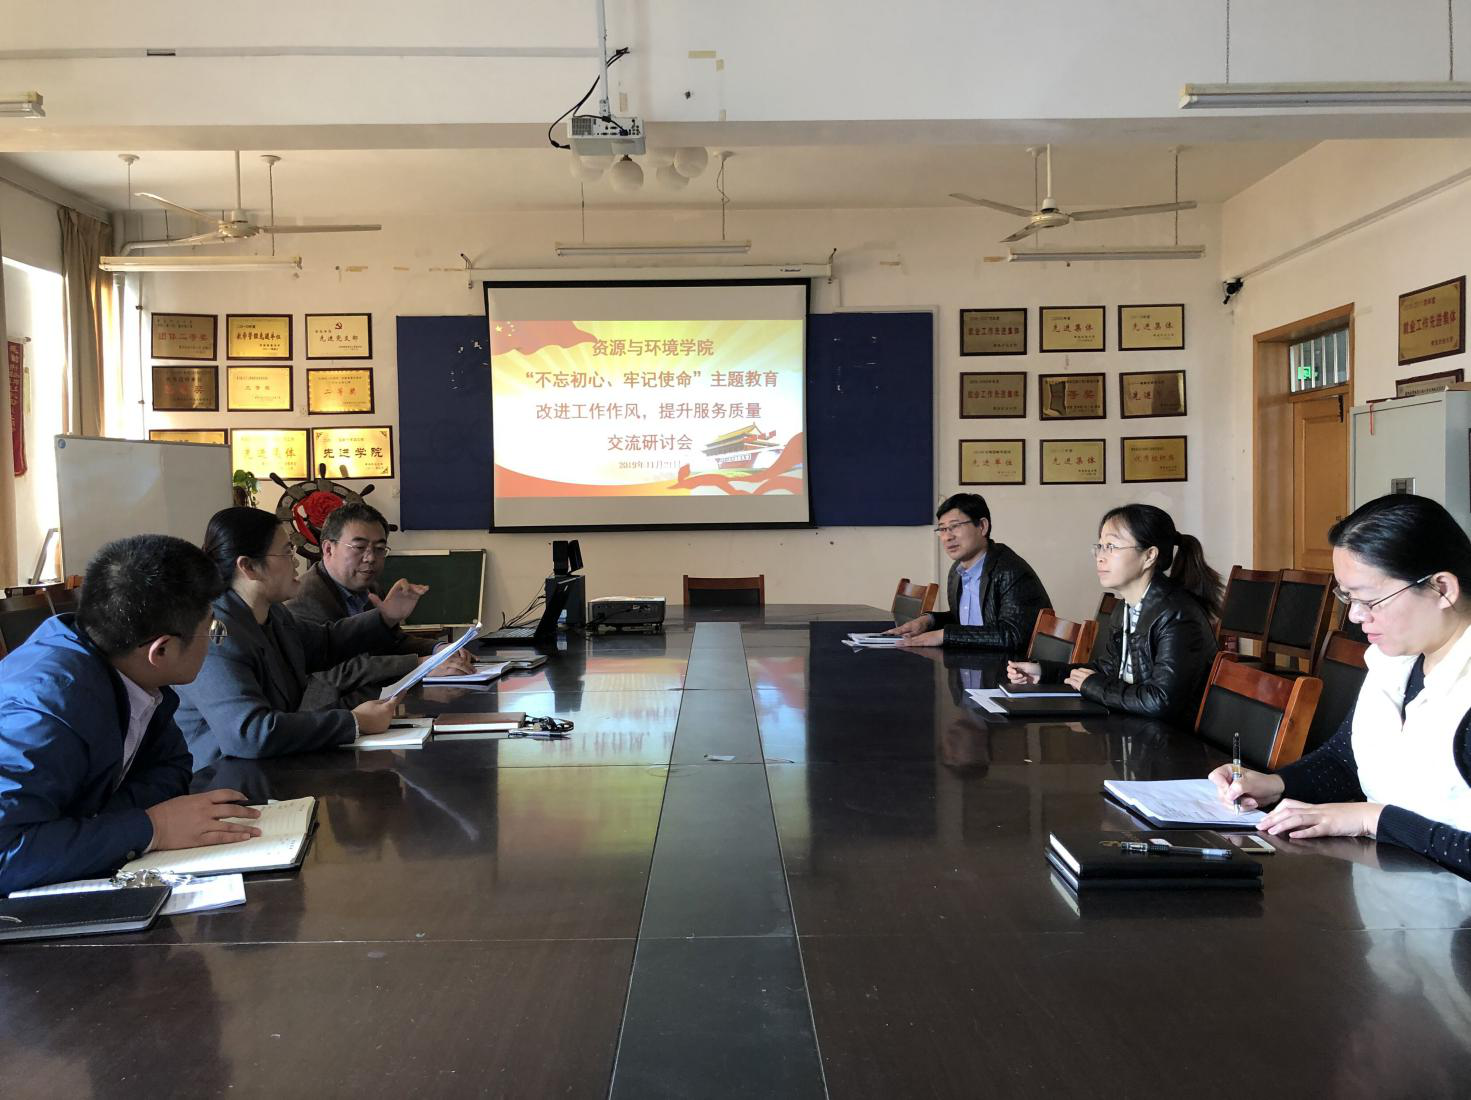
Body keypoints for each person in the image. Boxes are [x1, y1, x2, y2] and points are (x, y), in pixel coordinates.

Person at [1212, 494, 1471, 877]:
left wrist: (1373, 819)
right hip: (1388, 891)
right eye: (1348, 598)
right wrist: (1276, 784)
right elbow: (1345, 759)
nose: (1355, 616)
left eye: (1370, 600)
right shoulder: (1395, 659)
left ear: (1441, 588)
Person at [0, 535, 261, 893]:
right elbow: (6, 854)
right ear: (161, 650)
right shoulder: (46, 708)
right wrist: (153, 827)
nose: (214, 643)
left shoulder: (133, 673)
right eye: (211, 631)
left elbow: (173, 768)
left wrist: (97, 822)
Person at [174, 507, 445, 769]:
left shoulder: (275, 614)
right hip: (220, 778)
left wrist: (385, 616)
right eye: (286, 552)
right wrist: (354, 722)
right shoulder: (215, 634)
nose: (295, 561)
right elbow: (250, 733)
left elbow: (327, 643)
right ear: (248, 567)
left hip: (271, 766)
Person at [1007, 503, 1220, 723]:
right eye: (1100, 546)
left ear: (1149, 556)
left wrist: (1093, 685)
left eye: (1112, 546)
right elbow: (1106, 670)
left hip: (1173, 737)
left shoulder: (1177, 615)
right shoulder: (1124, 608)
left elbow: (1160, 701)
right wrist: (1044, 672)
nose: (1100, 557)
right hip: (1135, 725)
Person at [286, 501, 459, 703]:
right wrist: (421, 665)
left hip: (379, 702)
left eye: (379, 548)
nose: (370, 558)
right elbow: (336, 671)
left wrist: (440, 649)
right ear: (328, 549)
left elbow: (393, 643)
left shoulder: (371, 588)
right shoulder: (302, 598)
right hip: (334, 710)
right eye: (359, 547)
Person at [891, 492, 1051, 655]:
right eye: (942, 529)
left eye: (955, 526)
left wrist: (944, 635)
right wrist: (928, 621)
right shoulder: (957, 571)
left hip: (1008, 668)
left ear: (982, 526)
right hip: (973, 661)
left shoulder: (1010, 571)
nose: (947, 537)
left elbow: (1012, 636)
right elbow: (964, 620)